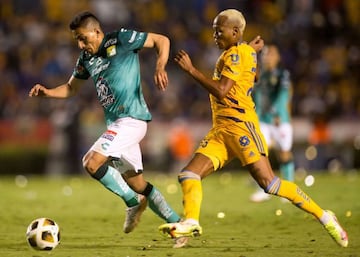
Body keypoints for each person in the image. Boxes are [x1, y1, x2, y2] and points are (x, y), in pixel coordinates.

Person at [158, 9, 348, 249]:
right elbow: (253, 78)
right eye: (214, 30)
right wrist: (249, 49)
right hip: (221, 130)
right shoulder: (240, 52)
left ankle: (324, 216)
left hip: (242, 128)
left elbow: (222, 90)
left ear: (235, 32)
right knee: (188, 174)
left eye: (219, 31)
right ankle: (191, 221)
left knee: (270, 184)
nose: (215, 35)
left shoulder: (237, 54)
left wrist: (191, 70)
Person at [29, 11, 181, 234]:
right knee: (138, 184)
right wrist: (48, 92)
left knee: (91, 162)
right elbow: (71, 88)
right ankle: (178, 225)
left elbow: (162, 40)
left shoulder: (120, 39)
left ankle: (132, 202)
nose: (81, 44)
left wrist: (160, 66)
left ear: (96, 31)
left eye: (83, 38)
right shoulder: (86, 59)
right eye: (77, 40)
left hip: (132, 119)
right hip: (116, 124)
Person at [250, 44, 295, 202]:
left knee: (284, 153)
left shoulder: (283, 74)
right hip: (262, 120)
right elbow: (254, 96)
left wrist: (276, 112)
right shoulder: (259, 75)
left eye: (271, 54)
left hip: (279, 119)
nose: (267, 57)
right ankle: (263, 188)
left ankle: (289, 189)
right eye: (265, 54)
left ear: (278, 57)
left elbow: (284, 93)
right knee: (259, 152)